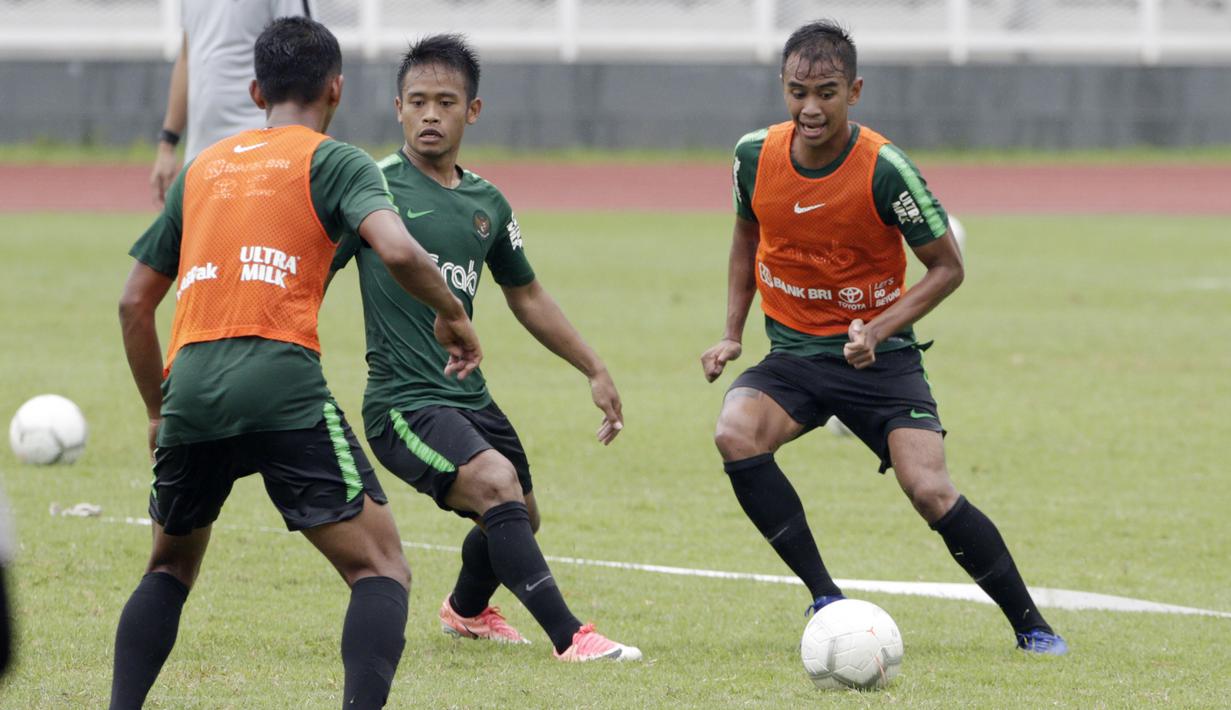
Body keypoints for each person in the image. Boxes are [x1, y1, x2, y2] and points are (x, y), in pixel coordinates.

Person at [113, 17, 483, 709]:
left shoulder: (202, 168)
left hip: (191, 384)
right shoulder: (335, 159)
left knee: (167, 568)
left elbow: (134, 304)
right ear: (335, 91)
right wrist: (453, 316)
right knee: (380, 570)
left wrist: (158, 411)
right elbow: (399, 251)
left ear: (256, 90)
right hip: (280, 381)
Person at [700, 19, 1067, 655]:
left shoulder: (885, 168)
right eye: (797, 92)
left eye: (827, 92)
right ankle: (826, 597)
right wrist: (732, 333)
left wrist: (879, 327)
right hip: (794, 356)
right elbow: (744, 238)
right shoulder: (753, 155)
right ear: (782, 88)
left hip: (883, 360)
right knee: (735, 431)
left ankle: (1031, 624)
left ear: (855, 90)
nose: (810, 108)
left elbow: (948, 268)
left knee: (928, 488)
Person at [329, 34, 640, 663]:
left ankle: (466, 611)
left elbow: (526, 295)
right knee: (496, 485)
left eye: (446, 102)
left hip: (470, 396)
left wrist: (594, 367)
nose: (430, 115)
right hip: (402, 404)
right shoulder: (373, 189)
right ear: (398, 108)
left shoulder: (486, 203)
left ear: (472, 111)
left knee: (520, 510)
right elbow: (313, 271)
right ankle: (571, 637)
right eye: (417, 102)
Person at [150, 0, 313, 204]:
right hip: (202, 154)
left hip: (262, 149)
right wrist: (167, 143)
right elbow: (187, 57)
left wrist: (299, 147)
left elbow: (305, 53)